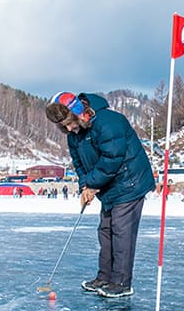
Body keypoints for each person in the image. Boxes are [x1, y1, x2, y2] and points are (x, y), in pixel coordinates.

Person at [46, 92, 155, 298]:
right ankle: (105, 277)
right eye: (64, 127)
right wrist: (85, 186)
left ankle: (122, 282)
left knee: (121, 230)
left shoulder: (108, 122)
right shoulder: (74, 135)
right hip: (109, 187)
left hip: (130, 182)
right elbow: (79, 164)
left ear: (80, 112)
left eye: (69, 123)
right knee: (105, 231)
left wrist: (93, 184)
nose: (69, 129)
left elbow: (112, 158)